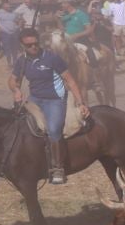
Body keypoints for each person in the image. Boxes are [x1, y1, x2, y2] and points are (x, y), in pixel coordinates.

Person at [6, 27, 87, 186]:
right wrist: (16, 90)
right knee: (18, 124)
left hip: (55, 99)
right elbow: (12, 79)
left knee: (53, 129)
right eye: (29, 45)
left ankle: (58, 168)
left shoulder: (52, 58)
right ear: (23, 46)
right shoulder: (22, 61)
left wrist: (80, 102)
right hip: (35, 99)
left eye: (35, 44)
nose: (33, 47)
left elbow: (70, 80)